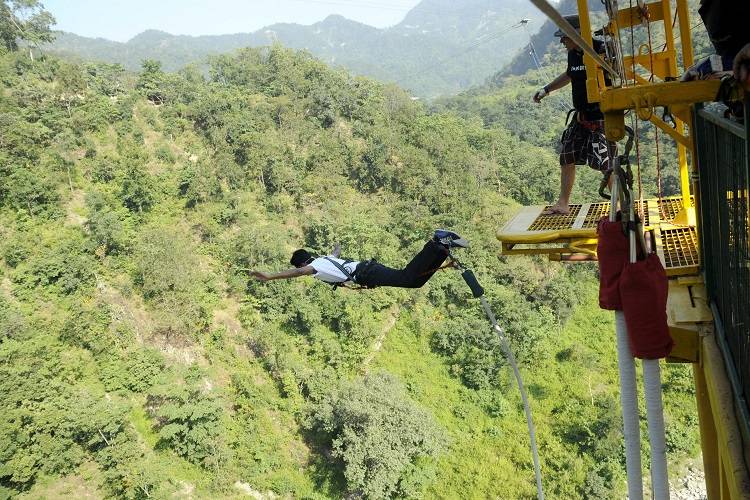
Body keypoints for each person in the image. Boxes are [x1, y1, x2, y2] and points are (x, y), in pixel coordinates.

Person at [533, 14, 616, 215]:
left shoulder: (600, 50)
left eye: (564, 37)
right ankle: (563, 203)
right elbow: (570, 74)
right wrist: (547, 89)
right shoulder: (573, 54)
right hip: (581, 116)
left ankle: (618, 205)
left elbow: (616, 72)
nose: (562, 41)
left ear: (577, 35)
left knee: (606, 163)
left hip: (601, 117)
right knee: (567, 156)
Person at [249, 230, 469, 289]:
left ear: (303, 264)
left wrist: (269, 276)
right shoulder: (324, 259)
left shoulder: (313, 268)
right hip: (366, 270)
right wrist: (336, 245)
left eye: (301, 268)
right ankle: (441, 250)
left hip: (366, 273)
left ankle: (436, 243)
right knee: (416, 281)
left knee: (407, 277)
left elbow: (298, 273)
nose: (302, 272)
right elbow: (335, 252)